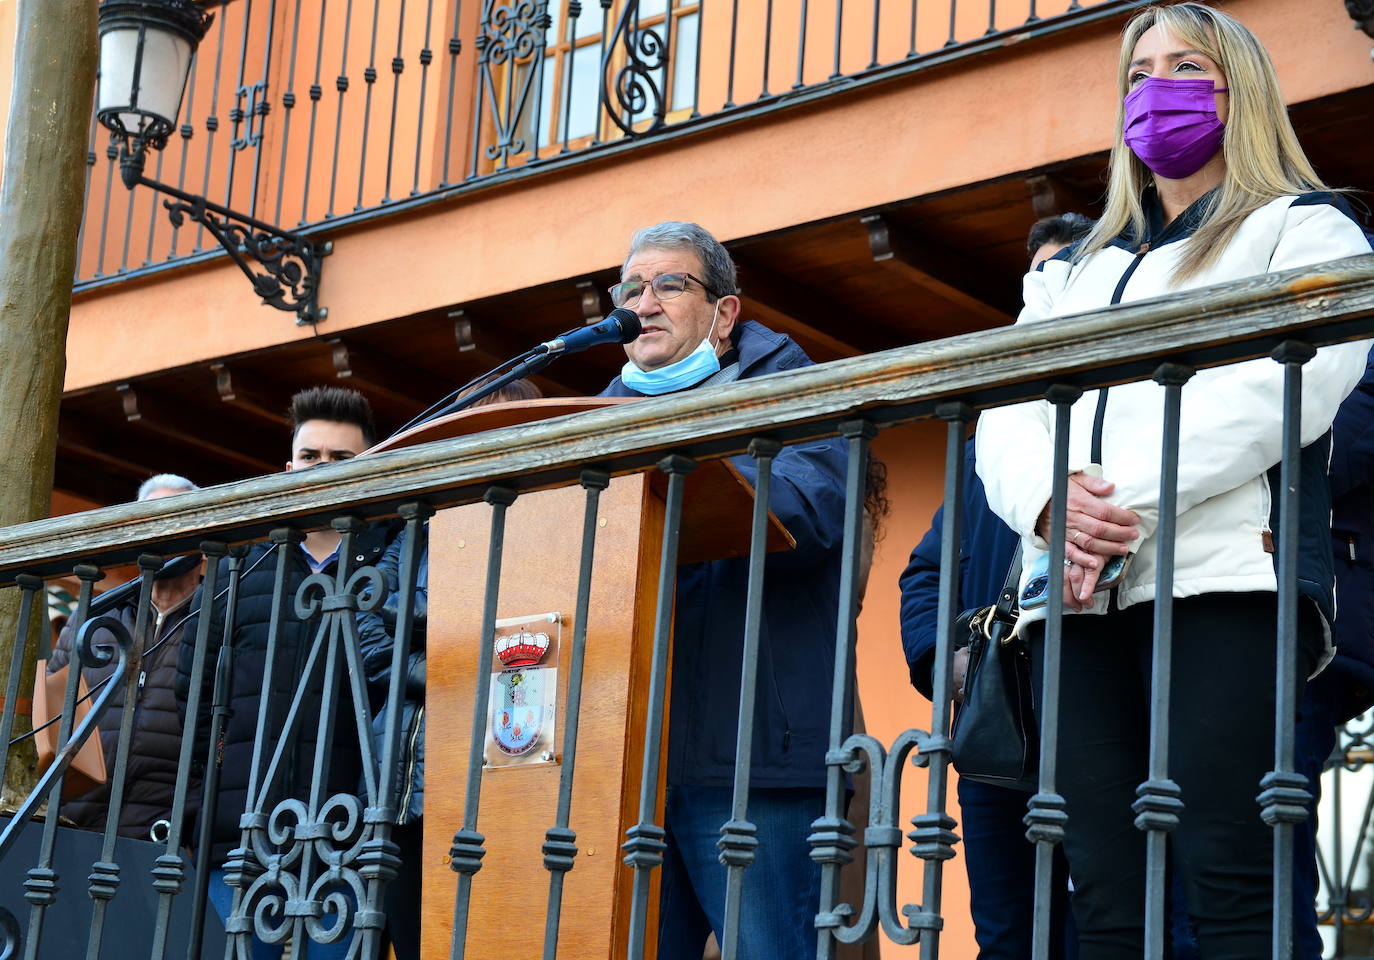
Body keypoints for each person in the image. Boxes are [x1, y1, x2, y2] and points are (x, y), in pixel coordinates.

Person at [973, 5, 1374, 958]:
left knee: (1231, 882)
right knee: (1103, 895)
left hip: (1223, 587)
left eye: (1185, 64)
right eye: (1140, 71)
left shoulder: (1308, 229)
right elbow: (1004, 410)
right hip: (1070, 605)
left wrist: (1108, 512)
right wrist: (1043, 504)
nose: (1158, 88)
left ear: (1243, 89)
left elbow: (1284, 388)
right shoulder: (1070, 270)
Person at [599, 221, 848, 959]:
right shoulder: (592, 421)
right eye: (631, 289)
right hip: (623, 763)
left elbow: (806, 517)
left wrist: (688, 458)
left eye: (670, 285)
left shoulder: (792, 394)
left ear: (725, 312)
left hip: (752, 764)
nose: (645, 303)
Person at [899, 213, 1093, 960]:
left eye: (1067, 270)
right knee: (1008, 935)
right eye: (1037, 276)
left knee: (1107, 924)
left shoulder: (1135, 413)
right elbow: (925, 571)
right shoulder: (995, 445)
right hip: (998, 728)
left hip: (1100, 709)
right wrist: (942, 661)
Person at [179, 386, 395, 960]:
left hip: (351, 837)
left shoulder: (396, 556)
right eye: (310, 456)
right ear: (288, 466)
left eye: (341, 459)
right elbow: (192, 689)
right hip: (239, 835)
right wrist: (218, 789)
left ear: (369, 465)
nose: (322, 470)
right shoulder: (240, 565)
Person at [356, 379, 542, 960]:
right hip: (398, 779)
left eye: (501, 430)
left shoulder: (548, 519)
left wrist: (424, 629)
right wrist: (455, 657)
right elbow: (368, 629)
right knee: (412, 939)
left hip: (499, 771)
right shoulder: (417, 527)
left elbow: (526, 636)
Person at [47, 473, 202, 840]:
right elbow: (52, 718)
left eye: (175, 518)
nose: (162, 533)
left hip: (163, 840)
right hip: (72, 828)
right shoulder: (92, 618)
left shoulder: (220, 623)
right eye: (150, 521)